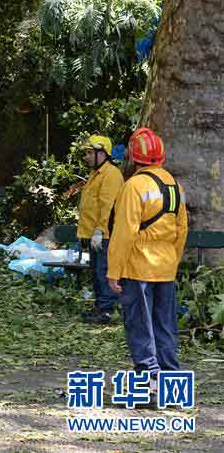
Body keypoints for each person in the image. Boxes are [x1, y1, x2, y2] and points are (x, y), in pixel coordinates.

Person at [108, 128, 187, 402]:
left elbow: (124, 233)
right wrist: (171, 261)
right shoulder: (174, 187)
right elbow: (182, 230)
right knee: (165, 326)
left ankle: (150, 384)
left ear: (134, 156)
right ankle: (173, 386)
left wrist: (113, 271)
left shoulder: (133, 187)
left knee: (141, 326)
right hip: (165, 268)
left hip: (137, 268)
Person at [77, 135, 124, 324]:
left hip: (104, 235)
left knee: (104, 272)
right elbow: (90, 206)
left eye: (90, 153)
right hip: (94, 234)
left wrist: (99, 231)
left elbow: (107, 206)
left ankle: (107, 311)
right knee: (97, 272)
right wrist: (85, 234)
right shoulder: (96, 174)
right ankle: (100, 308)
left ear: (102, 153)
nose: (86, 157)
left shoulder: (111, 175)